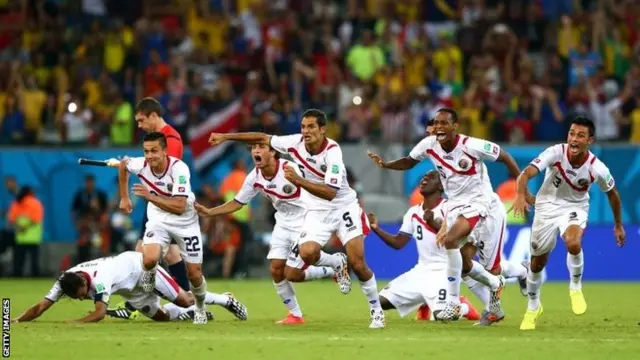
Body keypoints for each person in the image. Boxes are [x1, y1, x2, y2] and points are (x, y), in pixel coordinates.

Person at [208, 109, 385, 329]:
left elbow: (330, 192)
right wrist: (226, 137)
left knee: (358, 263)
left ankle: (377, 312)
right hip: (317, 211)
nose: (306, 131)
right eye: (303, 127)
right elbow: (262, 138)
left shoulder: (332, 151)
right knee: (307, 253)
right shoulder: (293, 143)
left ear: (323, 130)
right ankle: (335, 264)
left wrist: (299, 180)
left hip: (344, 206)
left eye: (311, 127)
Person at [367, 108, 534, 323]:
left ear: (455, 126)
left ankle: (515, 274)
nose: (438, 127)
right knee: (464, 264)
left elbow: (505, 157)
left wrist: (522, 191)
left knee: (490, 266)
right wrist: (386, 164)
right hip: (457, 206)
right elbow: (409, 161)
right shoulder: (429, 145)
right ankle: (498, 285)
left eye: (444, 123)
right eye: (436, 123)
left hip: (484, 205)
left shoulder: (472, 145)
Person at [195, 143, 335, 325]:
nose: (255, 151)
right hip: (283, 222)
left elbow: (319, 187)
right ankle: (295, 314)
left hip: (305, 219)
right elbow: (238, 202)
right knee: (276, 270)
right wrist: (210, 212)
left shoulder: (290, 168)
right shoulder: (254, 177)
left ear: (273, 152)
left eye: (261, 147)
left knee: (292, 273)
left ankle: (333, 267)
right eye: (253, 148)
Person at [512, 115, 625, 330]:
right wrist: (520, 194)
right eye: (572, 133)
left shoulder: (597, 168)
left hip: (574, 207)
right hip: (546, 206)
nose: (574, 139)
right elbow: (526, 174)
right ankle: (533, 306)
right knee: (536, 264)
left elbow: (613, 194)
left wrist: (618, 224)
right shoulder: (555, 152)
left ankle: (575, 286)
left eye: (580, 135)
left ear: (590, 140)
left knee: (573, 243)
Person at [108, 97, 191, 319]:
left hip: (165, 208)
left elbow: (163, 175)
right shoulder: (160, 139)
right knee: (169, 256)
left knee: (143, 255)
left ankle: (140, 304)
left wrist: (136, 170)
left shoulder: (171, 140)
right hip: (155, 205)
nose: (139, 125)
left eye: (141, 120)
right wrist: (127, 171)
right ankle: (184, 302)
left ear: (154, 116)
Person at [118, 132, 209, 324]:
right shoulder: (141, 164)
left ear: (165, 151)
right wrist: (124, 197)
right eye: (146, 151)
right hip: (158, 218)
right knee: (149, 258)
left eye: (154, 151)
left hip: (185, 221)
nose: (149, 156)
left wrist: (150, 196)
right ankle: (149, 279)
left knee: (194, 274)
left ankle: (199, 307)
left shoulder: (179, 169)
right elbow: (124, 164)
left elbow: (179, 206)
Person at [12, 251, 247, 323]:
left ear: (85, 283)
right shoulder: (66, 280)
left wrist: (75, 323)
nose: (83, 298)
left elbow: (100, 313)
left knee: (184, 299)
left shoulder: (100, 278)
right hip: (130, 289)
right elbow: (41, 306)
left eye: (83, 295)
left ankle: (226, 299)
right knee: (162, 318)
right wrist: (17, 320)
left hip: (141, 271)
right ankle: (196, 313)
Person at [369, 171, 481, 322]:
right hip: (421, 270)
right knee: (379, 301)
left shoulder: (449, 208)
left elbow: (452, 238)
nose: (424, 180)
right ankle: (424, 302)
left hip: (444, 271)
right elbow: (398, 243)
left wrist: (432, 223)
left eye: (430, 178)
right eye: (423, 177)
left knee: (442, 316)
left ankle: (464, 306)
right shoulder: (413, 212)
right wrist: (376, 229)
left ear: (441, 186)